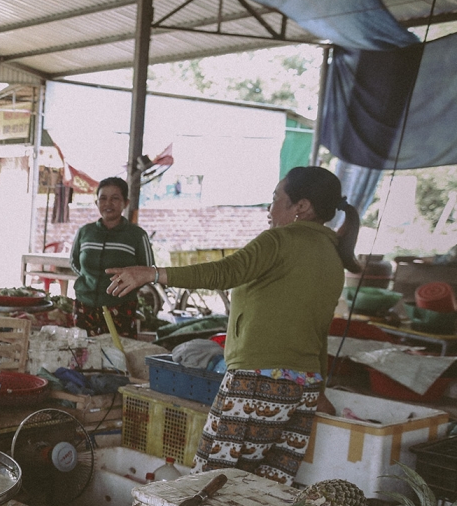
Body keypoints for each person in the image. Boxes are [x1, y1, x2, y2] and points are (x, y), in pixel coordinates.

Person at [105, 166, 361, 485]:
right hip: (303, 389)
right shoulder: (332, 256)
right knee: (265, 489)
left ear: (302, 207)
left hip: (257, 382)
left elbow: (225, 272)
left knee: (211, 483)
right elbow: (318, 332)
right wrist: (319, 388)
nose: (270, 209)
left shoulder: (280, 239)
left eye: (275, 199)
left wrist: (152, 274)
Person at [69, 176, 155, 336]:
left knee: (117, 356)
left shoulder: (137, 235)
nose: (108, 204)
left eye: (115, 198)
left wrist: (124, 287)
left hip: (120, 308)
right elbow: (74, 262)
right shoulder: (85, 232)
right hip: (84, 306)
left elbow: (148, 270)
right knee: (83, 354)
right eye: (103, 198)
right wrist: (91, 281)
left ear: (125, 203)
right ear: (96, 203)